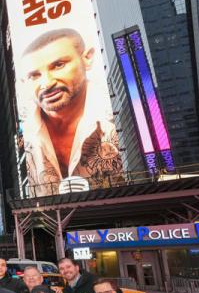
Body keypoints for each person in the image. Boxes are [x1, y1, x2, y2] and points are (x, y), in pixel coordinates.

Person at [20, 28, 122, 196]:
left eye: (58, 65)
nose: (47, 83)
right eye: (34, 76)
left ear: (87, 58)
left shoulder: (116, 113)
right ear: (24, 82)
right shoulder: (26, 137)